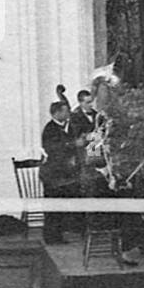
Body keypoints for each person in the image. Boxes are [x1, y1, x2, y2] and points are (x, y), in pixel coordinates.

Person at [39, 98, 80, 244]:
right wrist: (73, 143)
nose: (69, 113)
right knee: (53, 206)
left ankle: (74, 228)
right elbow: (53, 148)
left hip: (64, 173)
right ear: (56, 113)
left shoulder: (68, 127)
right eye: (65, 111)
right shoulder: (49, 129)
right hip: (53, 174)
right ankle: (52, 237)